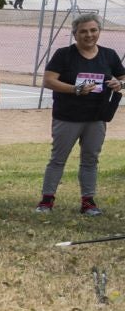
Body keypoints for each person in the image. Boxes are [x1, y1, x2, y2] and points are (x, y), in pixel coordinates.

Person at [36, 12, 124, 216]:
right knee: (58, 159)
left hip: (97, 117)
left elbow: (122, 77)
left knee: (90, 159)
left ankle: (88, 202)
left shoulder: (109, 55)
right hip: (68, 117)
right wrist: (74, 89)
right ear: (75, 34)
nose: (89, 35)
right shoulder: (64, 54)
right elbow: (49, 80)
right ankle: (46, 201)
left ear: (99, 31)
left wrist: (119, 83)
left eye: (93, 30)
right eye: (83, 31)